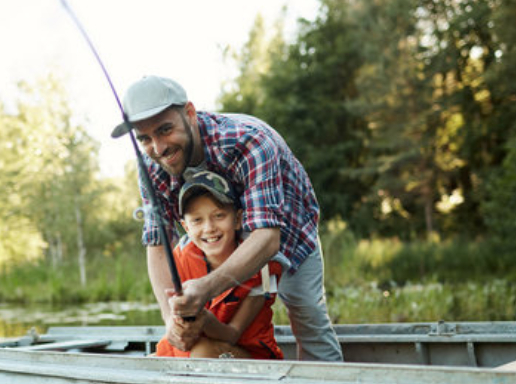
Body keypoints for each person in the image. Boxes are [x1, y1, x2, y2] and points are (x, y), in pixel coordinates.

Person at [112, 75, 343, 362]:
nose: (158, 149)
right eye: (145, 138)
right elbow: (157, 242)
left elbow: (267, 238)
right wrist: (169, 317)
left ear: (190, 114)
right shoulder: (150, 164)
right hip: (220, 234)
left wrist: (207, 286)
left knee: (307, 313)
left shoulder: (249, 140)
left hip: (286, 232)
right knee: (208, 326)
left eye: (165, 129)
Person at [154, 170, 284, 359]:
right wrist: (179, 325)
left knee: (202, 351)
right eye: (197, 220)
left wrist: (204, 318)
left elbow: (232, 334)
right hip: (192, 349)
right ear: (186, 227)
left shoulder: (261, 266)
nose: (209, 228)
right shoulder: (179, 260)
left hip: (248, 355)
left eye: (219, 215)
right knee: (151, 361)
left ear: (238, 219)